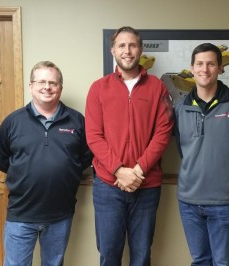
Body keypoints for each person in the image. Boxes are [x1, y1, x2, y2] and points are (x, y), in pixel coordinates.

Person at [0, 61, 92, 266]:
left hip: (60, 214)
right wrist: (25, 172)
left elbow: (86, 156)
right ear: (31, 86)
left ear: (60, 88)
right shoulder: (14, 121)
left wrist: (66, 170)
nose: (47, 87)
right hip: (20, 214)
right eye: (41, 81)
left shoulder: (77, 121)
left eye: (53, 83)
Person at [85, 26, 174, 266]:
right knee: (109, 255)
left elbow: (163, 132)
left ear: (140, 49)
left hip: (146, 186)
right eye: (122, 45)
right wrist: (118, 170)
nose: (127, 50)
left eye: (132, 45)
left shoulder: (158, 87)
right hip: (107, 187)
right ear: (113, 50)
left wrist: (138, 170)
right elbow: (93, 136)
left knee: (142, 255)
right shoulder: (98, 88)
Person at [174, 43, 229, 266]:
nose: (205, 69)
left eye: (211, 64)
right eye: (200, 64)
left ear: (220, 68)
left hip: (223, 200)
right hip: (189, 200)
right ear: (191, 68)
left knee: (222, 261)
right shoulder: (180, 107)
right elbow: (182, 149)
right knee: (200, 259)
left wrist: (227, 164)